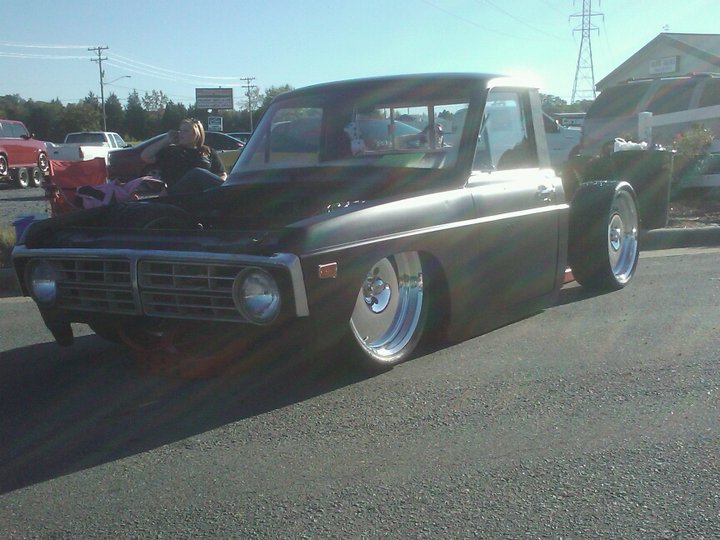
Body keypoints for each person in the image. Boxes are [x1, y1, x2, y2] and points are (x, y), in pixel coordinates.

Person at [140, 118, 227, 195]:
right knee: (197, 173)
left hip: (202, 193)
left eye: (185, 131)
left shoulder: (208, 151)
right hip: (178, 193)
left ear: (196, 134)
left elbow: (222, 174)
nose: (180, 133)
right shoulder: (172, 150)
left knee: (230, 179)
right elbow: (145, 156)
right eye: (180, 130)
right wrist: (166, 140)